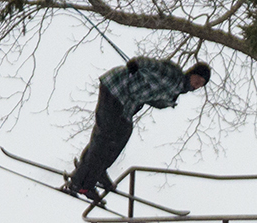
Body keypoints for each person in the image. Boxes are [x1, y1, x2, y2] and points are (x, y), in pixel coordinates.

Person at [63, 58, 212, 200]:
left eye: (201, 84)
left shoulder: (176, 90)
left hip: (127, 103)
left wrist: (167, 103)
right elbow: (153, 65)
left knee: (122, 134)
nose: (197, 85)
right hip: (116, 89)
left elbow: (153, 98)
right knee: (105, 137)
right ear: (191, 73)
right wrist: (136, 63)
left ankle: (96, 172)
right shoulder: (173, 75)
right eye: (197, 80)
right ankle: (79, 183)